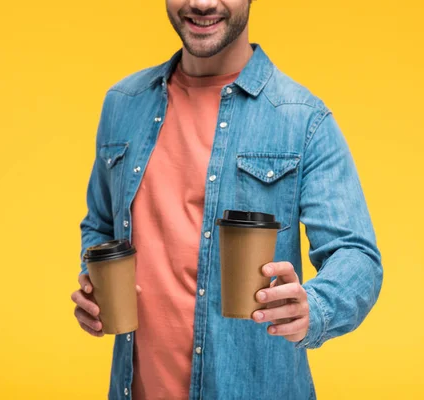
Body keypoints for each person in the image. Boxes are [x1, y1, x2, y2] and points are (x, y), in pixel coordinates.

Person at [71, 0, 384, 399]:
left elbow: (357, 254)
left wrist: (315, 308)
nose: (202, 3)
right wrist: (97, 286)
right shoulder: (123, 104)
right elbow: (99, 225)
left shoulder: (302, 118)